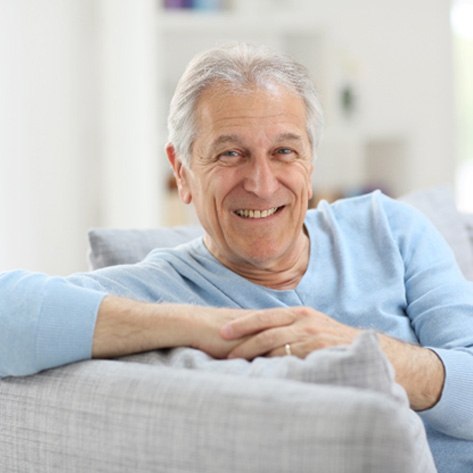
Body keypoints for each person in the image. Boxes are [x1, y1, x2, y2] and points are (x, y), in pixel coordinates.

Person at [0, 42, 472, 472]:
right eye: (230, 154)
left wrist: (353, 347)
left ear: (311, 162)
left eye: (284, 151)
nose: (262, 183)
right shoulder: (154, 288)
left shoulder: (389, 226)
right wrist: (208, 327)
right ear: (181, 171)